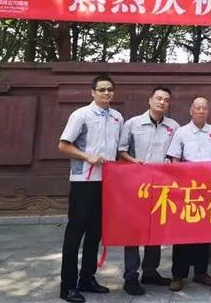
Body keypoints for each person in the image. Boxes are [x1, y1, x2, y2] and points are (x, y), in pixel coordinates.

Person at [58, 75, 123, 303]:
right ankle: (68, 286)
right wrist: (87, 157)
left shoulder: (117, 117)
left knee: (95, 233)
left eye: (109, 89)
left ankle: (87, 279)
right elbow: (63, 145)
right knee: (75, 234)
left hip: (106, 182)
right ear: (93, 92)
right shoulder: (81, 115)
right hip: (83, 182)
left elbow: (118, 150)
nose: (106, 93)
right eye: (101, 89)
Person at [117, 86, 180, 296]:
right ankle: (131, 277)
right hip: (136, 186)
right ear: (150, 100)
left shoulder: (173, 126)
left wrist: (170, 161)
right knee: (133, 231)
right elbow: (121, 150)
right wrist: (133, 161)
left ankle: (150, 271)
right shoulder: (133, 123)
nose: (162, 102)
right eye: (159, 98)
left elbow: (175, 153)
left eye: (166, 100)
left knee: (156, 229)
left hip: (161, 186)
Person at [166, 96, 211, 291]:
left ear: (208, 111)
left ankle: (200, 272)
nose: (201, 111)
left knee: (204, 232)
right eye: (197, 108)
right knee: (182, 233)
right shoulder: (181, 132)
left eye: (204, 108)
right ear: (191, 110)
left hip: (208, 190)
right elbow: (174, 159)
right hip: (186, 190)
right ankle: (178, 275)